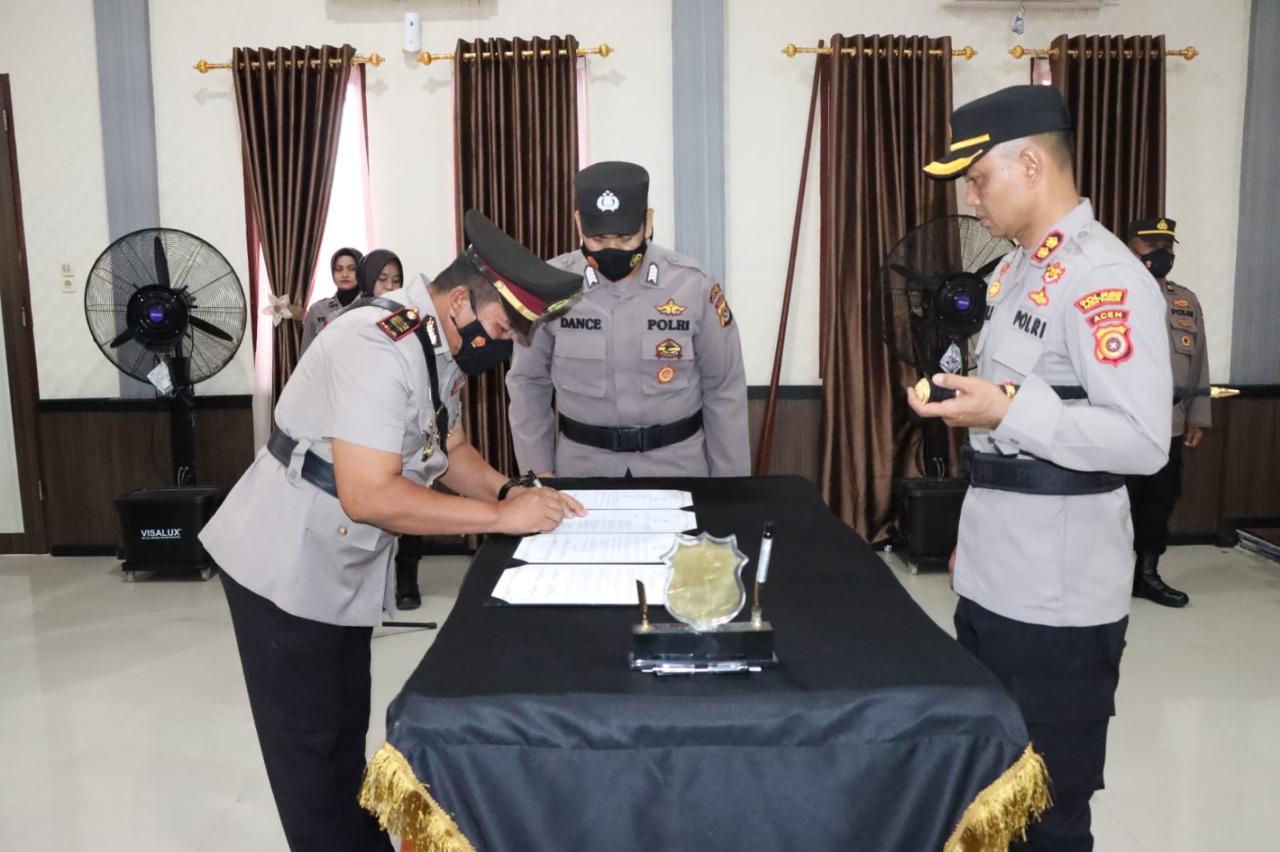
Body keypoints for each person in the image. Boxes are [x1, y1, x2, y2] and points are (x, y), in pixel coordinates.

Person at [200, 210, 585, 852]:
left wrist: (511, 492)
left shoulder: (438, 341)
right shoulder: (376, 343)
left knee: (347, 737)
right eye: (500, 330)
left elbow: (449, 447)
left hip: (339, 566)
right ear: (461, 298)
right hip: (284, 568)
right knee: (314, 765)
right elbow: (370, 492)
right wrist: (499, 519)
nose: (504, 346)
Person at [909, 85, 1172, 851]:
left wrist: (1004, 410)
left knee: (1045, 812)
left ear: (1031, 163)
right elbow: (1001, 433)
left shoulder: (1104, 279)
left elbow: (1140, 438)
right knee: (991, 791)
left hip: (1058, 598)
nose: (971, 197)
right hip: (997, 571)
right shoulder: (1017, 270)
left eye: (978, 177)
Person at [506, 161, 750, 478]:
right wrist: (538, 474)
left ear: (647, 222)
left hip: (678, 469)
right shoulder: (548, 286)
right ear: (579, 223)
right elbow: (527, 384)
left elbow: (723, 389)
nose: (612, 249)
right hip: (583, 471)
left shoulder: (693, 285)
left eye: (624, 238)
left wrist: (731, 488)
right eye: (598, 239)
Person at [1124, 216, 1209, 608]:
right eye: (1152, 245)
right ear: (1130, 247)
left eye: (1168, 247)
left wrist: (1197, 416)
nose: (1162, 254)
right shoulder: (1111, 295)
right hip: (1119, 421)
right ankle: (1108, 576)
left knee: (1159, 499)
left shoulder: (1184, 300)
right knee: (1116, 502)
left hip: (1170, 422)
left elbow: (1199, 363)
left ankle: (1147, 574)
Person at [300, 247, 363, 354]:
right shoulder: (317, 309)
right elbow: (306, 355)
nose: (344, 274)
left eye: (352, 269)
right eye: (338, 269)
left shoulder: (371, 306)